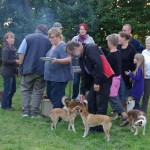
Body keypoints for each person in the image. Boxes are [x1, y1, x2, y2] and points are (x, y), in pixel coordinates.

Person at [66, 41, 114, 132]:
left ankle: (99, 127)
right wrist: (82, 92)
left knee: (100, 102)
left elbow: (98, 65)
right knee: (91, 100)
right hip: (95, 79)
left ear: (76, 48)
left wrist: (97, 82)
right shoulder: (81, 56)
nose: (72, 56)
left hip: (104, 78)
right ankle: (92, 125)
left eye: (71, 54)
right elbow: (84, 75)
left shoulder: (91, 48)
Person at [18, 24, 52, 118]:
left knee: (26, 90)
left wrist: (21, 64)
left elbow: (21, 52)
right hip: (41, 70)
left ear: (36, 30)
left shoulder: (28, 38)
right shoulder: (48, 40)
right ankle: (34, 113)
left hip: (28, 69)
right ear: (45, 32)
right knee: (38, 91)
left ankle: (25, 112)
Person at [44, 27, 73, 108]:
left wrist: (57, 61)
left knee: (56, 97)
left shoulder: (62, 46)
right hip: (51, 77)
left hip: (59, 77)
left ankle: (58, 117)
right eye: (49, 37)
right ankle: (61, 113)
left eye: (52, 37)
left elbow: (69, 59)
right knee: (50, 95)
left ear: (59, 36)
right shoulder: (53, 46)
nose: (50, 39)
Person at [106, 34, 127, 125]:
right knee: (113, 97)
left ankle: (125, 116)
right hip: (118, 78)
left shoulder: (110, 56)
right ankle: (119, 113)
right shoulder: (118, 52)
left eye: (107, 42)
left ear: (110, 43)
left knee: (113, 98)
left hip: (113, 79)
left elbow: (108, 70)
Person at [71, 23, 95, 99]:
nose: (82, 31)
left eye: (83, 29)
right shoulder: (75, 38)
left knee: (85, 81)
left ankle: (86, 98)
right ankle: (75, 98)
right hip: (76, 63)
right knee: (75, 82)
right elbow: (70, 49)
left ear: (86, 30)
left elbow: (93, 50)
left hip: (86, 64)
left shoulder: (90, 39)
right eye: (80, 29)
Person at [1, 32, 20, 110]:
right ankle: (4, 106)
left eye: (13, 38)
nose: (13, 39)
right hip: (7, 72)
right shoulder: (5, 49)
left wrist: (16, 71)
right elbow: (4, 61)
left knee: (13, 89)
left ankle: (8, 104)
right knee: (7, 90)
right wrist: (15, 61)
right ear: (6, 39)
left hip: (12, 73)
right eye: (11, 38)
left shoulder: (13, 48)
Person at [118, 32, 136, 107]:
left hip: (127, 74)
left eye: (120, 37)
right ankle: (121, 109)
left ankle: (128, 110)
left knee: (127, 91)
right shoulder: (118, 47)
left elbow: (134, 62)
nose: (118, 39)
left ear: (124, 39)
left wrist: (131, 73)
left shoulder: (132, 48)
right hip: (118, 73)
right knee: (120, 92)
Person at [141, 36, 150, 114]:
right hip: (145, 77)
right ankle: (142, 113)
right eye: (146, 42)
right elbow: (141, 64)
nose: (147, 43)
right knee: (145, 96)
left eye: (149, 42)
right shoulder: (144, 52)